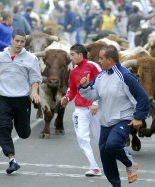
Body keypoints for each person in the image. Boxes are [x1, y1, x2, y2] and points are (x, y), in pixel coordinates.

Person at [79, 45, 149, 186]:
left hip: (123, 119)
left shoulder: (125, 76)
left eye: (101, 58)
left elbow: (143, 97)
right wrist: (85, 87)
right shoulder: (100, 76)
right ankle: (115, 185)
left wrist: (138, 117)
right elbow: (93, 95)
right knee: (105, 155)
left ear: (110, 60)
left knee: (112, 145)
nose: (99, 61)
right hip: (105, 121)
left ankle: (130, 164)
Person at [0, 29, 42, 174]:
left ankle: (24, 130)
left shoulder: (31, 59)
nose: (20, 44)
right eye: (17, 41)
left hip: (22, 100)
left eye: (22, 41)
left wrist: (33, 91)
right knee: (3, 128)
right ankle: (12, 159)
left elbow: (35, 79)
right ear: (12, 40)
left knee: (23, 133)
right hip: (3, 99)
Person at [61, 44, 102, 177]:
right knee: (82, 138)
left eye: (72, 55)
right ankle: (94, 167)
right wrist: (66, 98)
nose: (71, 58)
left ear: (80, 55)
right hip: (80, 110)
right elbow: (72, 90)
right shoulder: (73, 71)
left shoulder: (93, 66)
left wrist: (95, 103)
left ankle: (122, 159)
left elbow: (103, 84)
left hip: (95, 109)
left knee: (102, 139)